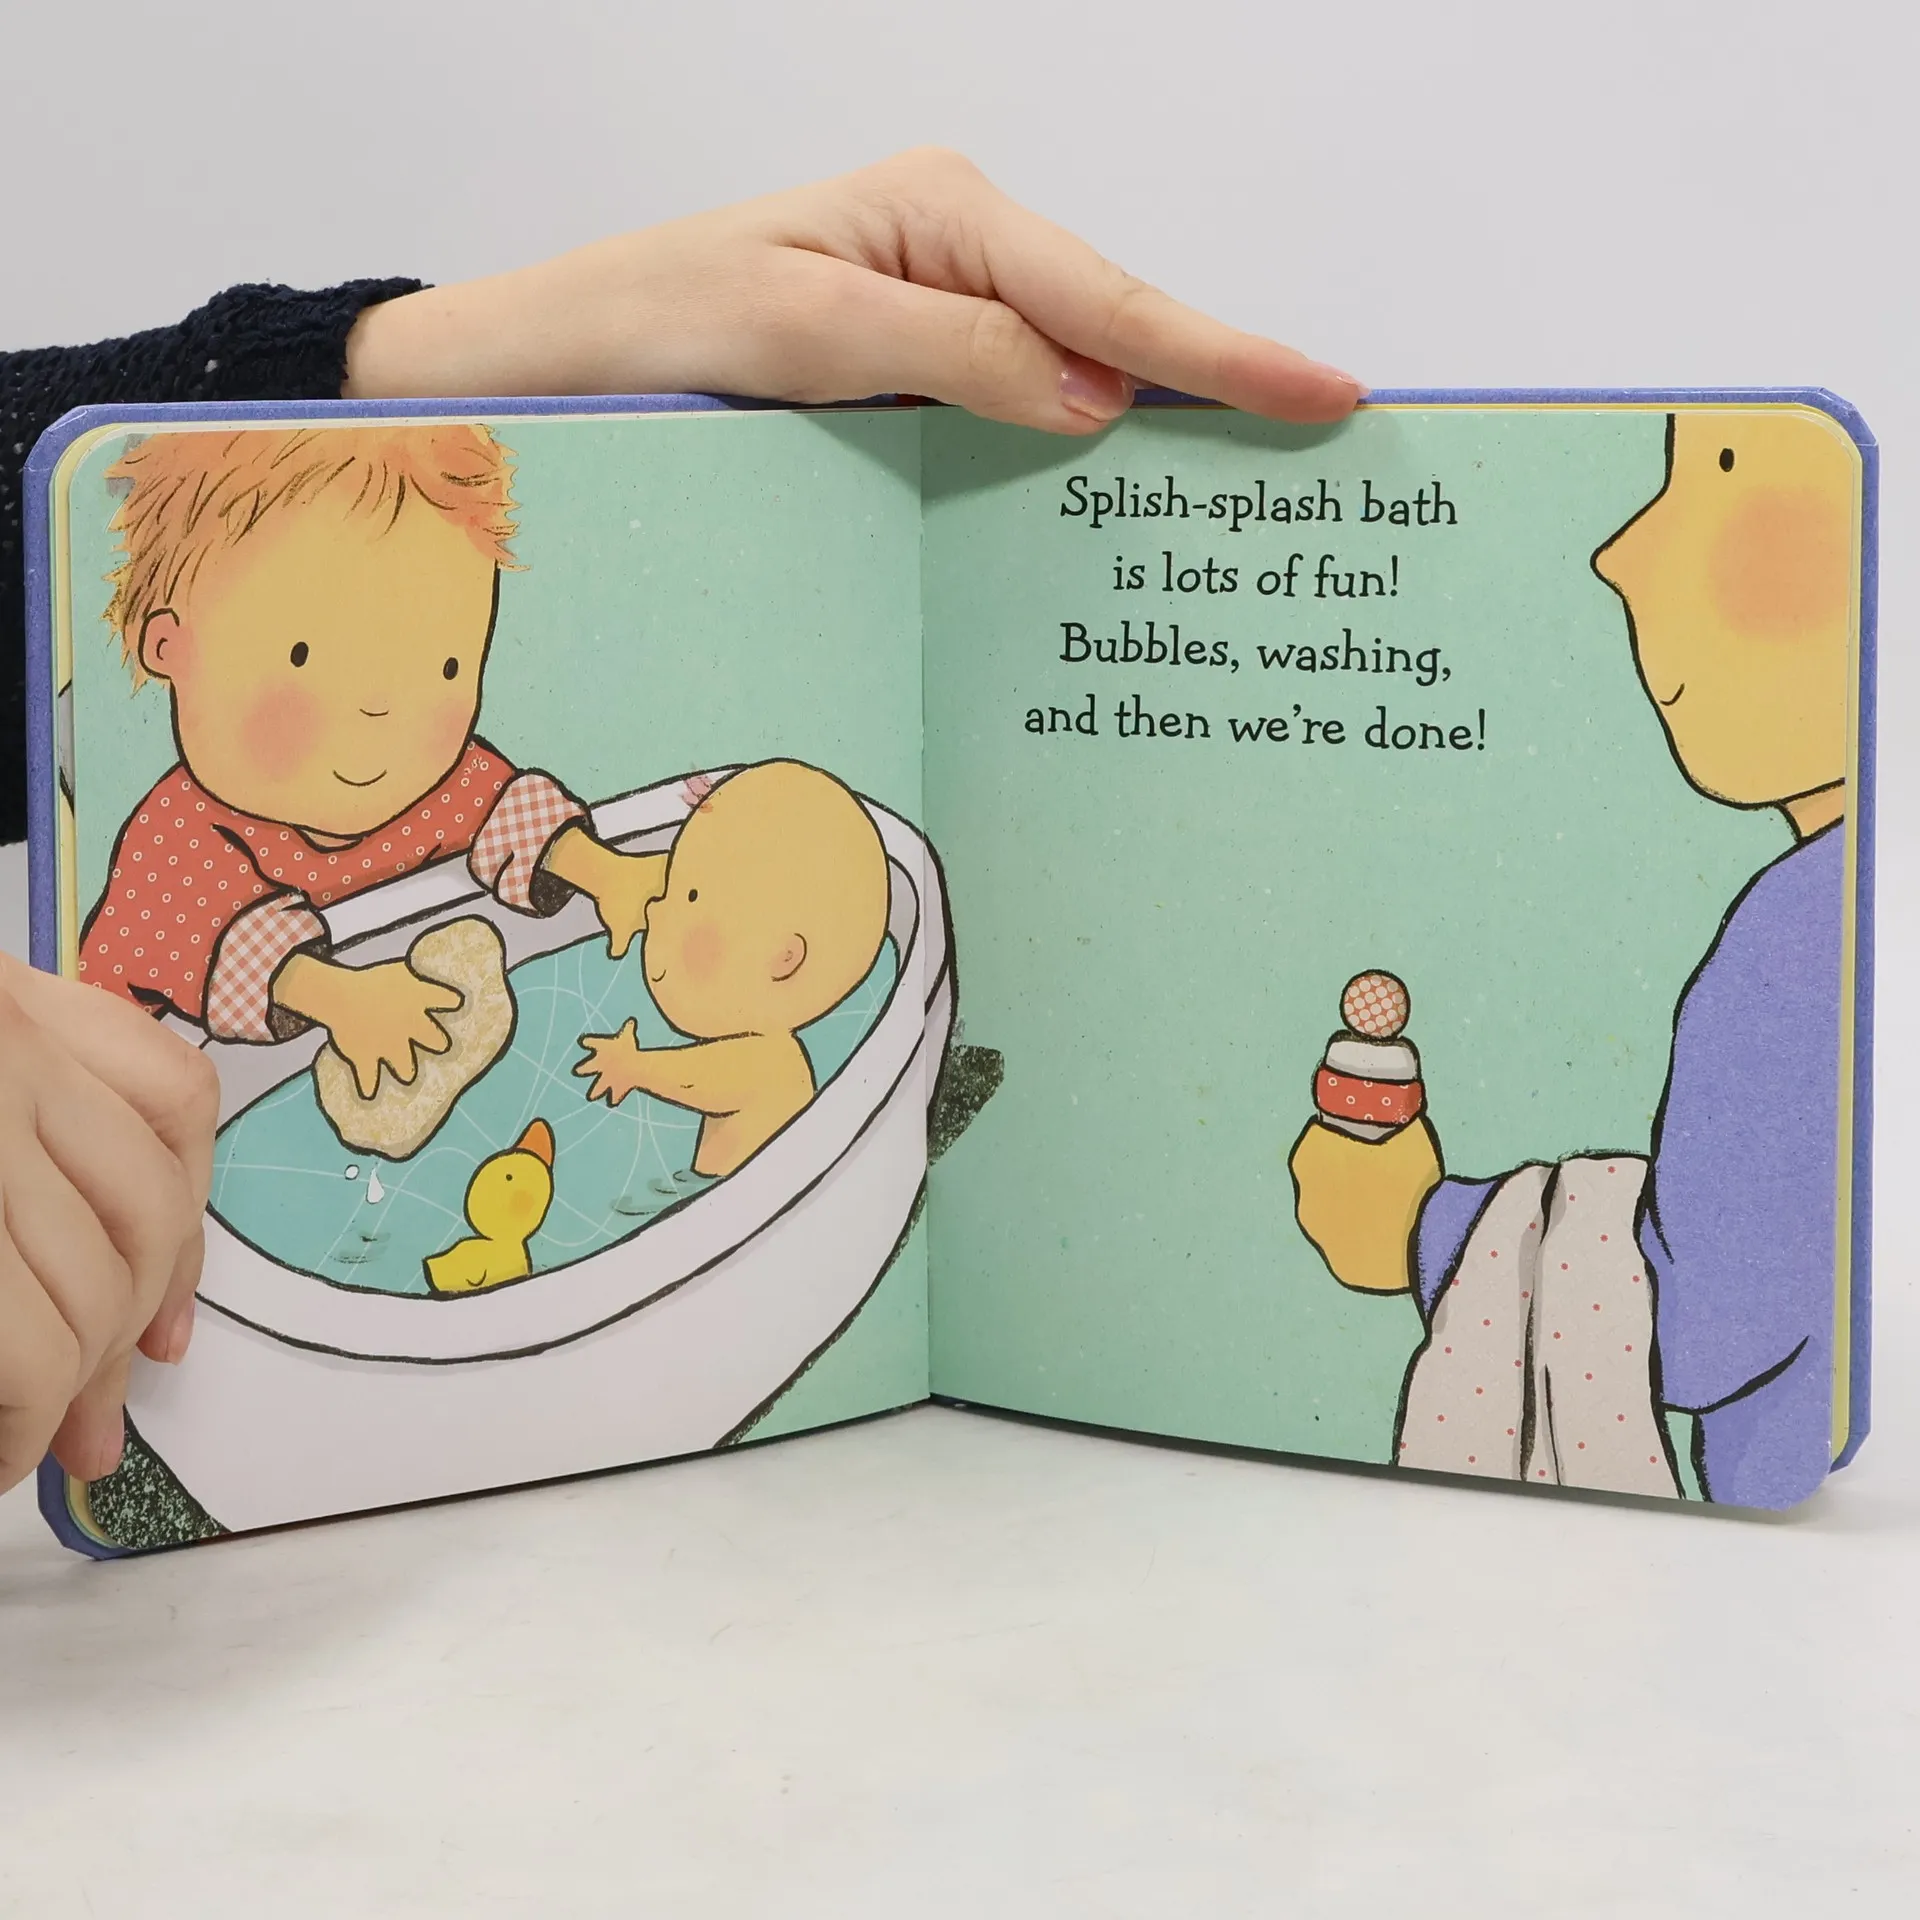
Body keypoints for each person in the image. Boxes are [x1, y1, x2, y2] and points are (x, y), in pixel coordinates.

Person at [0, 147, 1364, 1496]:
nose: (385, 714)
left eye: (442, 665)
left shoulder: (440, 780)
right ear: (166, 648)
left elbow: (499, 817)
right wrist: (343, 998)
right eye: (309, 660)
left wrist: (600, 869)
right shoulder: (180, 833)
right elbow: (207, 935)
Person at [1290, 405, 1858, 1505]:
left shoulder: (1802, 933)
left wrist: (1419, 1226)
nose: (1623, 554)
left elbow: (1707, 1321)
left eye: (1718, 469)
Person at [575, 761, 891, 1177]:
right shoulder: (769, 1050)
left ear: (783, 958)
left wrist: (636, 1067)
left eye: (690, 897)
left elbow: (698, 1079)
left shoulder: (771, 1062)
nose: (654, 909)